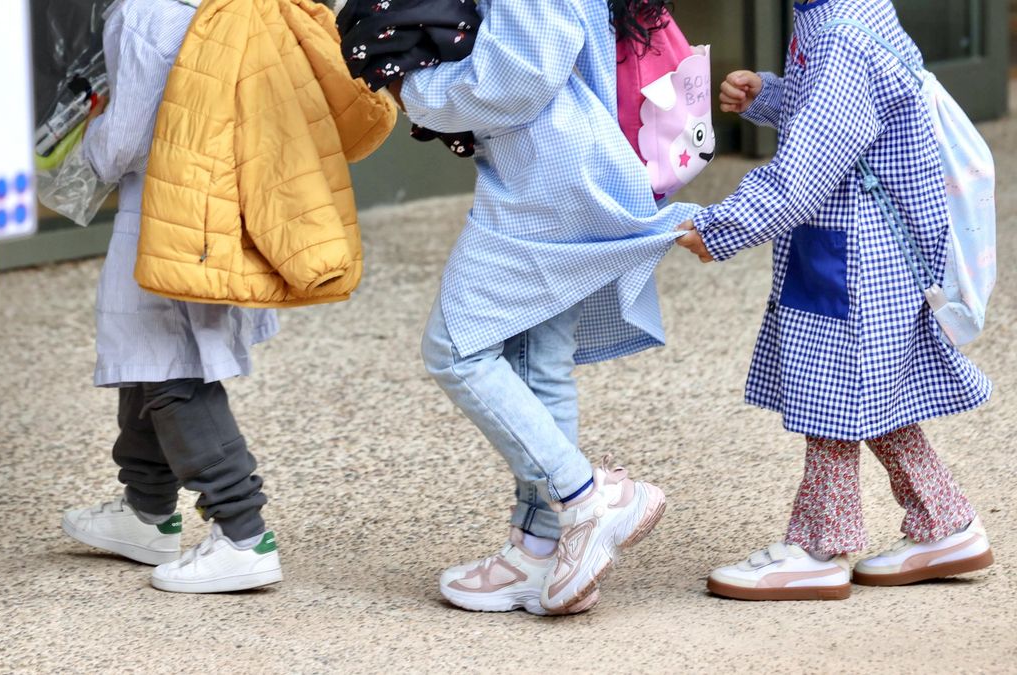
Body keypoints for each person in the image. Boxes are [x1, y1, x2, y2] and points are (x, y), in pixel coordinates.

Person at [676, 0, 995, 601]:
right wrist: (771, 95)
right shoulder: (849, 14)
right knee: (871, 391)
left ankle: (819, 547)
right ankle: (945, 521)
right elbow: (844, 114)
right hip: (865, 245)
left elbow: (808, 164)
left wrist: (723, 228)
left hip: (854, 250)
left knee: (833, 391)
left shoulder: (840, 35)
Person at [393, 0, 700, 615]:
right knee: (538, 359)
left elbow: (518, 77)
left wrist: (415, 89)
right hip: (566, 166)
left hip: (546, 178)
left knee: (456, 349)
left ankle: (587, 498)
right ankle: (539, 550)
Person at [59, 0, 283, 594]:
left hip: (165, 210)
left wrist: (75, 147)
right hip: (218, 201)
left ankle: (243, 534)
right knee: (148, 355)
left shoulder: (142, 14)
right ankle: (147, 510)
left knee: (171, 368)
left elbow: (125, 140)